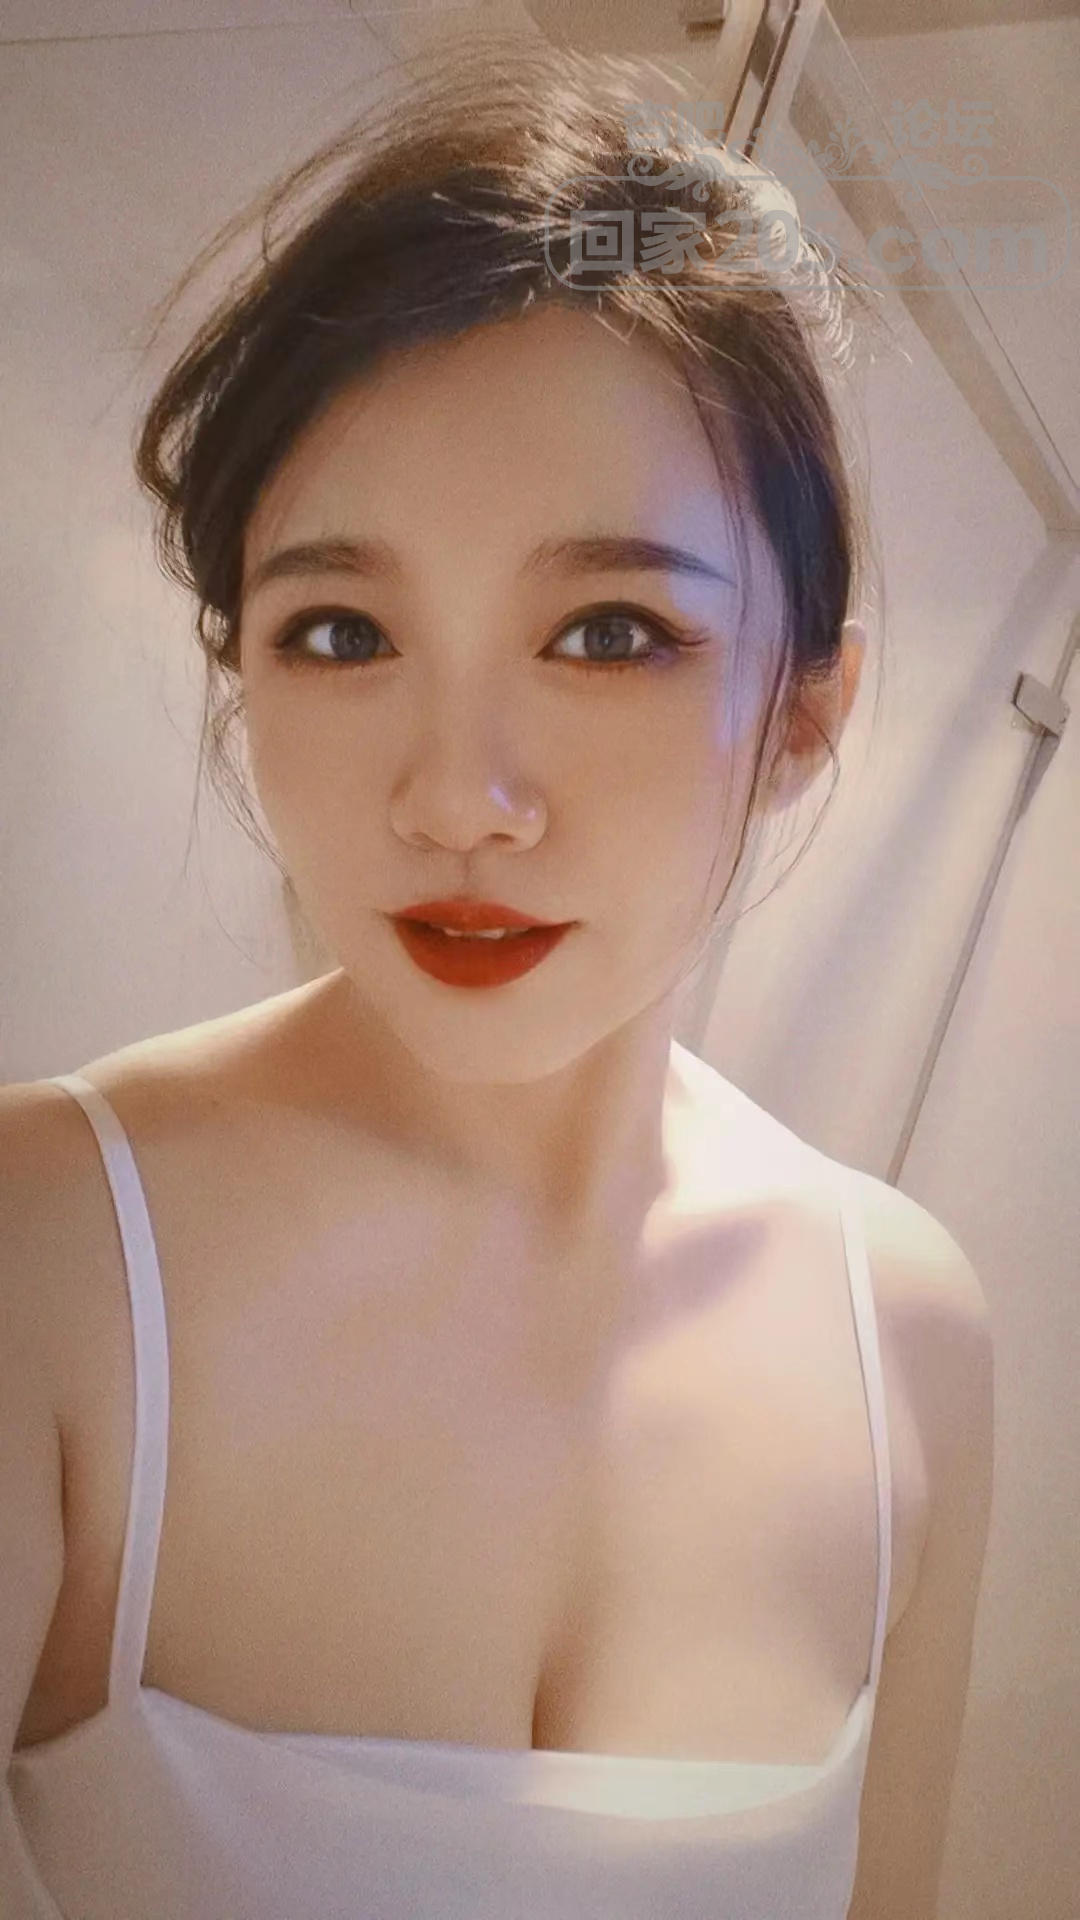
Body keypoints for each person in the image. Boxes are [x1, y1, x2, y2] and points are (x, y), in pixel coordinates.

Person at [0, 33, 994, 1920]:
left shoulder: (911, 1337)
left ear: (807, 709)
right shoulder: (45, 1261)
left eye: (608, 632)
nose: (456, 800)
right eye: (340, 631)